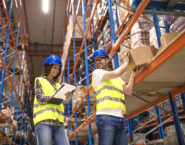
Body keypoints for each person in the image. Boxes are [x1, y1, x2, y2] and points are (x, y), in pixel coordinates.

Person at [91, 49, 135, 145]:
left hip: (120, 118)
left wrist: (133, 74)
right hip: (105, 118)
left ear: (107, 60)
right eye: (96, 60)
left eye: (100, 59)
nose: (98, 62)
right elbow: (116, 73)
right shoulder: (97, 73)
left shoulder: (117, 79)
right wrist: (125, 63)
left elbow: (128, 91)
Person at [33, 55, 69, 145]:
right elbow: (40, 98)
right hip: (44, 122)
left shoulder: (58, 85)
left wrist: (67, 97)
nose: (56, 71)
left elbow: (60, 103)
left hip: (58, 123)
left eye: (58, 69)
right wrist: (52, 96)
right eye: (54, 68)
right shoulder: (39, 80)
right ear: (48, 67)